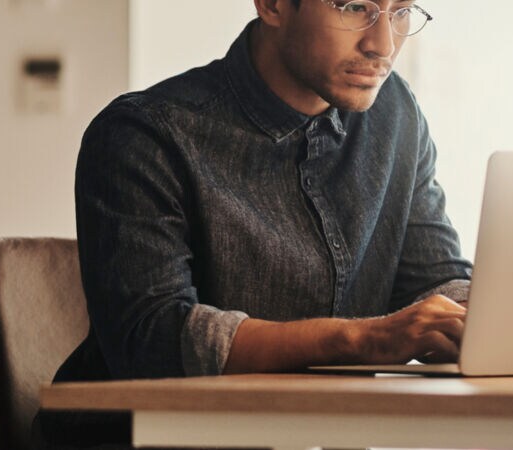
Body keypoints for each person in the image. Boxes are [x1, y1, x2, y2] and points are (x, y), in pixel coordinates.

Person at [38, 0, 470, 446]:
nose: (383, 45)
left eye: (401, 11)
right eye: (355, 6)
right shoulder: (144, 134)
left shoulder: (395, 113)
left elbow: (434, 279)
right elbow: (155, 341)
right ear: (273, 6)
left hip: (316, 437)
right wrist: (363, 340)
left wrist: (487, 316)